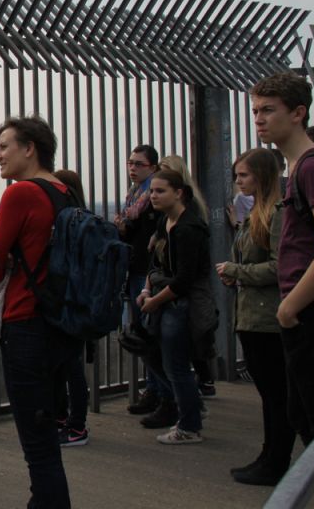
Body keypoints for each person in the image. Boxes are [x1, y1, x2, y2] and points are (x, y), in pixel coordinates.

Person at [0, 116, 80, 508]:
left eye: (4, 146)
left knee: (37, 444)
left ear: (29, 148)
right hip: (60, 324)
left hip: (25, 324)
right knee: (48, 431)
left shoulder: (20, 193)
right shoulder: (65, 191)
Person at [251, 71, 314, 507]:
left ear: (299, 113)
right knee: (305, 416)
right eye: (255, 111)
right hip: (308, 310)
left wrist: (290, 308)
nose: (259, 120)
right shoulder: (300, 168)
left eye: (268, 111)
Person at [216, 148, 295, 485]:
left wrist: (237, 270)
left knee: (277, 394)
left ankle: (275, 461)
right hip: (253, 316)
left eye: (244, 175)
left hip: (265, 319)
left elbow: (282, 267)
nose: (238, 181)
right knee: (271, 394)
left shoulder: (276, 214)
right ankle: (269, 455)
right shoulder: (257, 215)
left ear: (262, 176)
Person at [139, 168, 216, 445]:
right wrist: (147, 289)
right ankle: (190, 407)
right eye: (151, 191)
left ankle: (189, 425)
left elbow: (184, 280)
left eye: (160, 191)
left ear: (179, 193)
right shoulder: (167, 223)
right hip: (166, 300)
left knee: (176, 365)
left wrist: (153, 301)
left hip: (179, 305)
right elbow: (157, 264)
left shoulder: (188, 229)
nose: (153, 196)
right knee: (155, 355)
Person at [158, 155, 217, 399]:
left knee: (178, 355)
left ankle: (190, 403)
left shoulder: (186, 223)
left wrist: (154, 298)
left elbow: (184, 274)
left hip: (182, 289)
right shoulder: (179, 216)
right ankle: (199, 386)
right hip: (182, 286)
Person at [115, 145, 167, 418]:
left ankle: (161, 394)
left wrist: (125, 226)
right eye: (130, 162)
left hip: (147, 273)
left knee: (149, 335)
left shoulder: (153, 197)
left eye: (139, 164)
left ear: (153, 168)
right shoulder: (135, 196)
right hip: (136, 268)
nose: (133, 168)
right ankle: (155, 391)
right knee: (144, 334)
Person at [53, 169, 90, 448]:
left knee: (70, 366)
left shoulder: (70, 221)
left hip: (68, 300)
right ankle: (65, 419)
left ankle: (76, 425)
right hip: (76, 300)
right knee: (65, 363)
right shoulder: (84, 220)